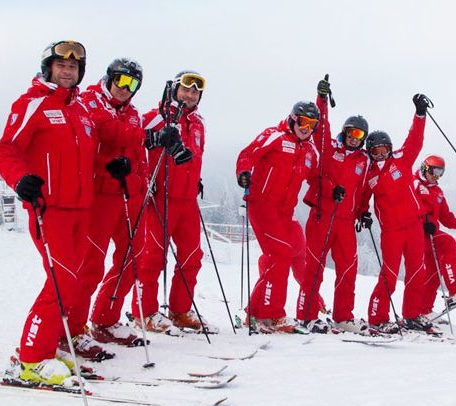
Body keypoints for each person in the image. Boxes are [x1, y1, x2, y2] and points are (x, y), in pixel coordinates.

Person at [0, 40, 98, 385]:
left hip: (82, 208)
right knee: (61, 280)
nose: (67, 71)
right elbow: (7, 149)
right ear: (48, 69)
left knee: (76, 281)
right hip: (49, 207)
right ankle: (31, 358)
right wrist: (21, 179)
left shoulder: (81, 111)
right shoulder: (33, 103)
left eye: (73, 67)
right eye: (61, 66)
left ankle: (50, 344)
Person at [134, 70, 217, 334]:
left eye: (195, 92)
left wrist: (196, 179)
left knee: (192, 256)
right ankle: (144, 312)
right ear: (174, 90)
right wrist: (154, 142)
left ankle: (180, 310)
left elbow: (195, 157)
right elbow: (132, 140)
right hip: (160, 197)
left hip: (187, 200)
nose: (190, 95)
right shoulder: (157, 116)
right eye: (185, 89)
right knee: (152, 257)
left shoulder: (199, 122)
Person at [77, 58, 150, 347]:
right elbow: (105, 132)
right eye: (120, 80)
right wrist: (148, 137)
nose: (124, 88)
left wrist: (144, 184)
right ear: (108, 78)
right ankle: (73, 327)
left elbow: (138, 152)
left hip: (129, 193)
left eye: (131, 84)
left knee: (132, 257)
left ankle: (105, 319)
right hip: (100, 194)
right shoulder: (89, 102)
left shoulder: (133, 114)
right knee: (90, 262)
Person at [295, 76, 371, 334]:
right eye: (350, 132)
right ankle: (306, 316)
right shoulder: (329, 146)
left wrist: (363, 212)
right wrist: (322, 99)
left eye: (359, 134)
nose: (353, 138)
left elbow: (362, 192)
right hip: (322, 215)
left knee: (348, 269)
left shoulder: (364, 160)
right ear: (344, 132)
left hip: (346, 222)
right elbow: (322, 126)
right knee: (314, 267)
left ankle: (342, 317)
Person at [236, 101, 319, 333]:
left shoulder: (310, 151)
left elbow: (317, 179)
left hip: (285, 212)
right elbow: (248, 154)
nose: (306, 128)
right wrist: (243, 172)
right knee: (279, 254)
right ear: (293, 119)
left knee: (286, 254)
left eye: (312, 124)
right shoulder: (275, 136)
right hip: (262, 206)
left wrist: (325, 193)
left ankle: (255, 313)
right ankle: (271, 315)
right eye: (303, 122)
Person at [358, 94, 431, 335]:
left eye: (383, 150)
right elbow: (361, 199)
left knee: (417, 270)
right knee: (389, 273)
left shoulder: (401, 160)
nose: (380, 155)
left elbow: (415, 141)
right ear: (369, 152)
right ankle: (377, 318)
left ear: (389, 149)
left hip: (414, 226)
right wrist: (363, 213)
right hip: (391, 231)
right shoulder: (369, 175)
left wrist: (420, 115)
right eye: (375, 151)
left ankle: (412, 314)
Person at [415, 155, 456, 317]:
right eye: (434, 171)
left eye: (440, 173)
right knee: (447, 242)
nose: (436, 176)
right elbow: (406, 207)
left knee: (434, 272)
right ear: (425, 168)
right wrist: (421, 222)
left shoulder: (437, 192)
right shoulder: (414, 185)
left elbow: (446, 218)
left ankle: (423, 310)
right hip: (416, 233)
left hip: (430, 234)